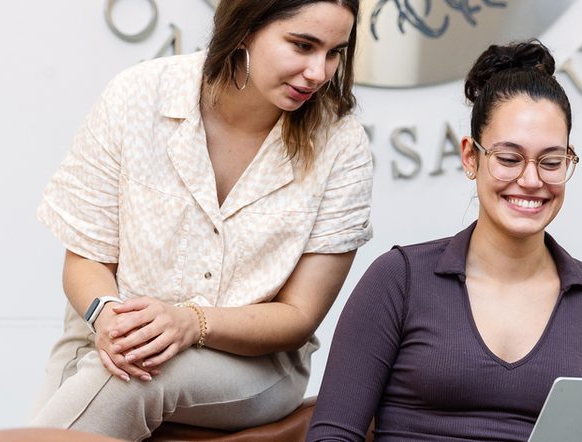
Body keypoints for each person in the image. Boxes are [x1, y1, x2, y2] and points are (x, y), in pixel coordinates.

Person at [28, 1, 372, 439]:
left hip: (254, 365)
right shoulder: (137, 96)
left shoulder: (340, 143)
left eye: (333, 52)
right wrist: (109, 317)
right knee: (105, 378)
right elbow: (85, 259)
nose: (319, 72)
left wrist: (191, 322)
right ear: (245, 27)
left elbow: (299, 315)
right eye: (302, 45)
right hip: (102, 337)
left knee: (136, 376)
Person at [306, 40, 582, 442]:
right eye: (509, 158)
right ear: (470, 157)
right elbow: (332, 435)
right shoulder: (399, 280)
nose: (531, 180)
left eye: (551, 161)